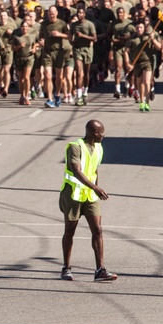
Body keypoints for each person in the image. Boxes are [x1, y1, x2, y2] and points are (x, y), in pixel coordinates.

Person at [60, 120, 117, 283]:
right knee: (70, 231)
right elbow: (76, 171)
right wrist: (95, 188)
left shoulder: (98, 147)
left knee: (97, 230)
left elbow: (94, 168)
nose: (104, 135)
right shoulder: (75, 147)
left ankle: (100, 270)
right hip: (73, 194)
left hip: (90, 196)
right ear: (93, 133)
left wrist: (96, 188)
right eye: (101, 132)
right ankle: (66, 268)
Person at [71, 7, 98, 106]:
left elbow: (94, 38)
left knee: (86, 72)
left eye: (81, 13)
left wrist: (83, 36)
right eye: (78, 13)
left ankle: (85, 92)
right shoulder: (73, 25)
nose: (79, 15)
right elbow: (70, 36)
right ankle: (79, 96)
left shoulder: (90, 24)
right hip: (77, 49)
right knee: (79, 72)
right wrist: (72, 41)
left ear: (84, 14)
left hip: (87, 50)